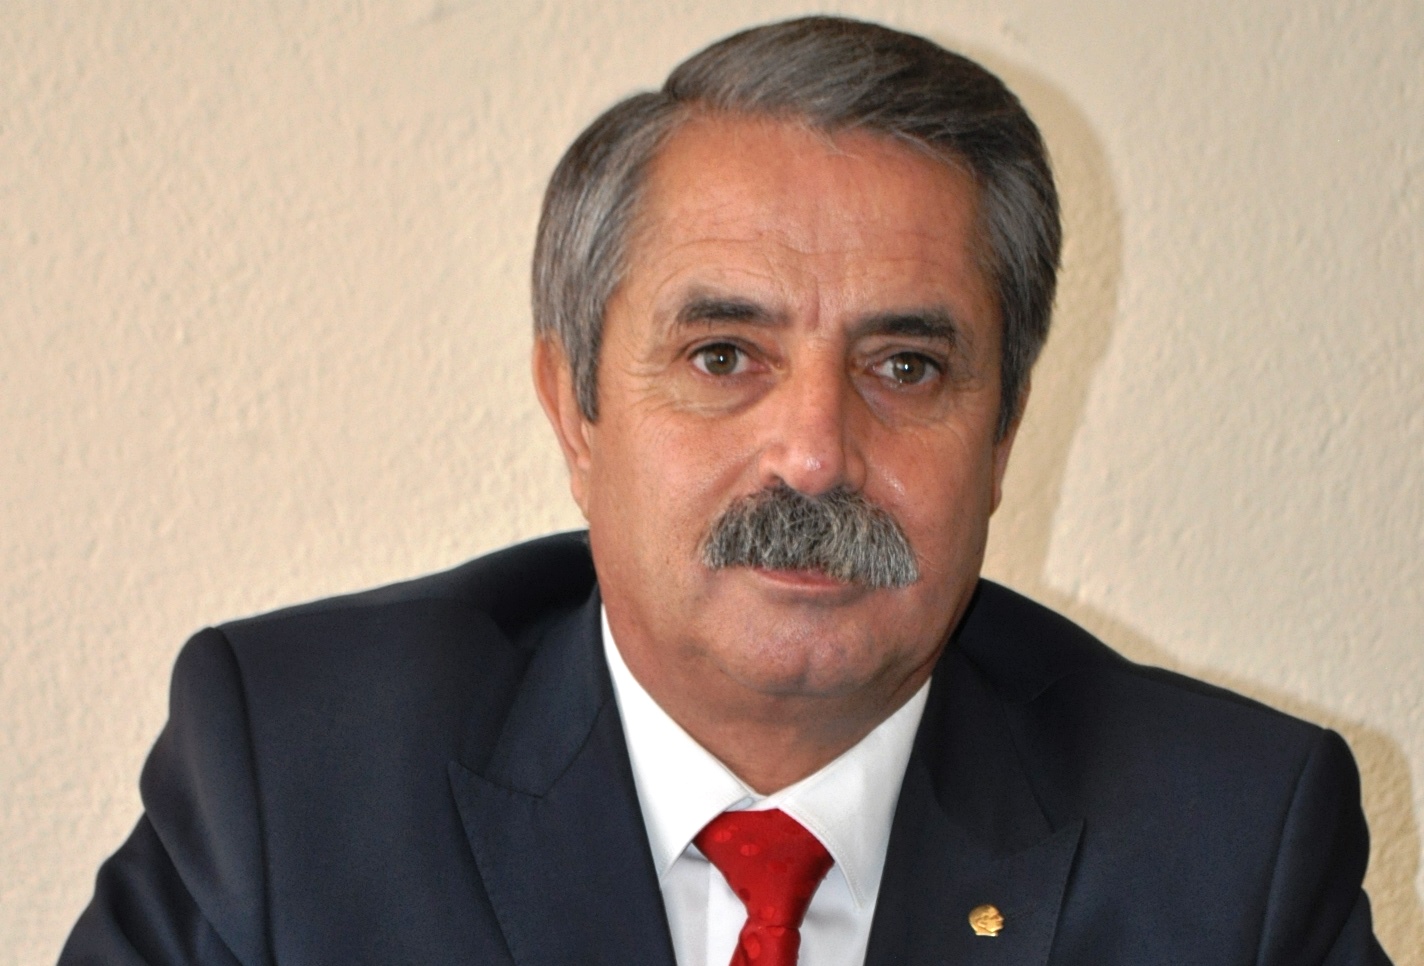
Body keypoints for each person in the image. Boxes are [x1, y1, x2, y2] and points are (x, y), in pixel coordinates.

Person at [60, 15, 1392, 966]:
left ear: (1002, 437)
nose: (814, 452)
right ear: (574, 403)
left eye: (907, 366)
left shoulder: (1231, 849)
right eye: (721, 356)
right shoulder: (296, 775)